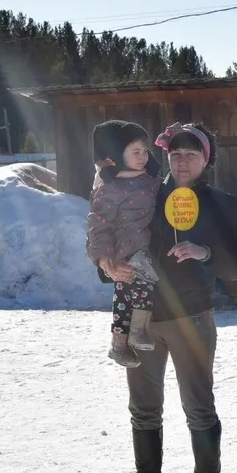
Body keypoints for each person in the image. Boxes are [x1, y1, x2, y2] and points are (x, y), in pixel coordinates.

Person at [102, 122, 237, 473]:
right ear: (166, 156)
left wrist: (205, 252)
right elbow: (108, 239)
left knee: (199, 408)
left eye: (192, 154)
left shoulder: (219, 203)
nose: (183, 161)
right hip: (142, 318)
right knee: (143, 409)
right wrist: (106, 264)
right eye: (176, 154)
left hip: (192, 318)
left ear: (206, 160)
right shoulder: (143, 193)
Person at [86, 120, 162, 367]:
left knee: (131, 290)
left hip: (142, 243)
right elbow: (99, 223)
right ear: (119, 155)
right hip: (124, 247)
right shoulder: (110, 186)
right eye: (135, 152)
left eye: (145, 151)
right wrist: (103, 256)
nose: (142, 157)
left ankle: (124, 341)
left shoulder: (150, 180)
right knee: (135, 285)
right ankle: (131, 335)